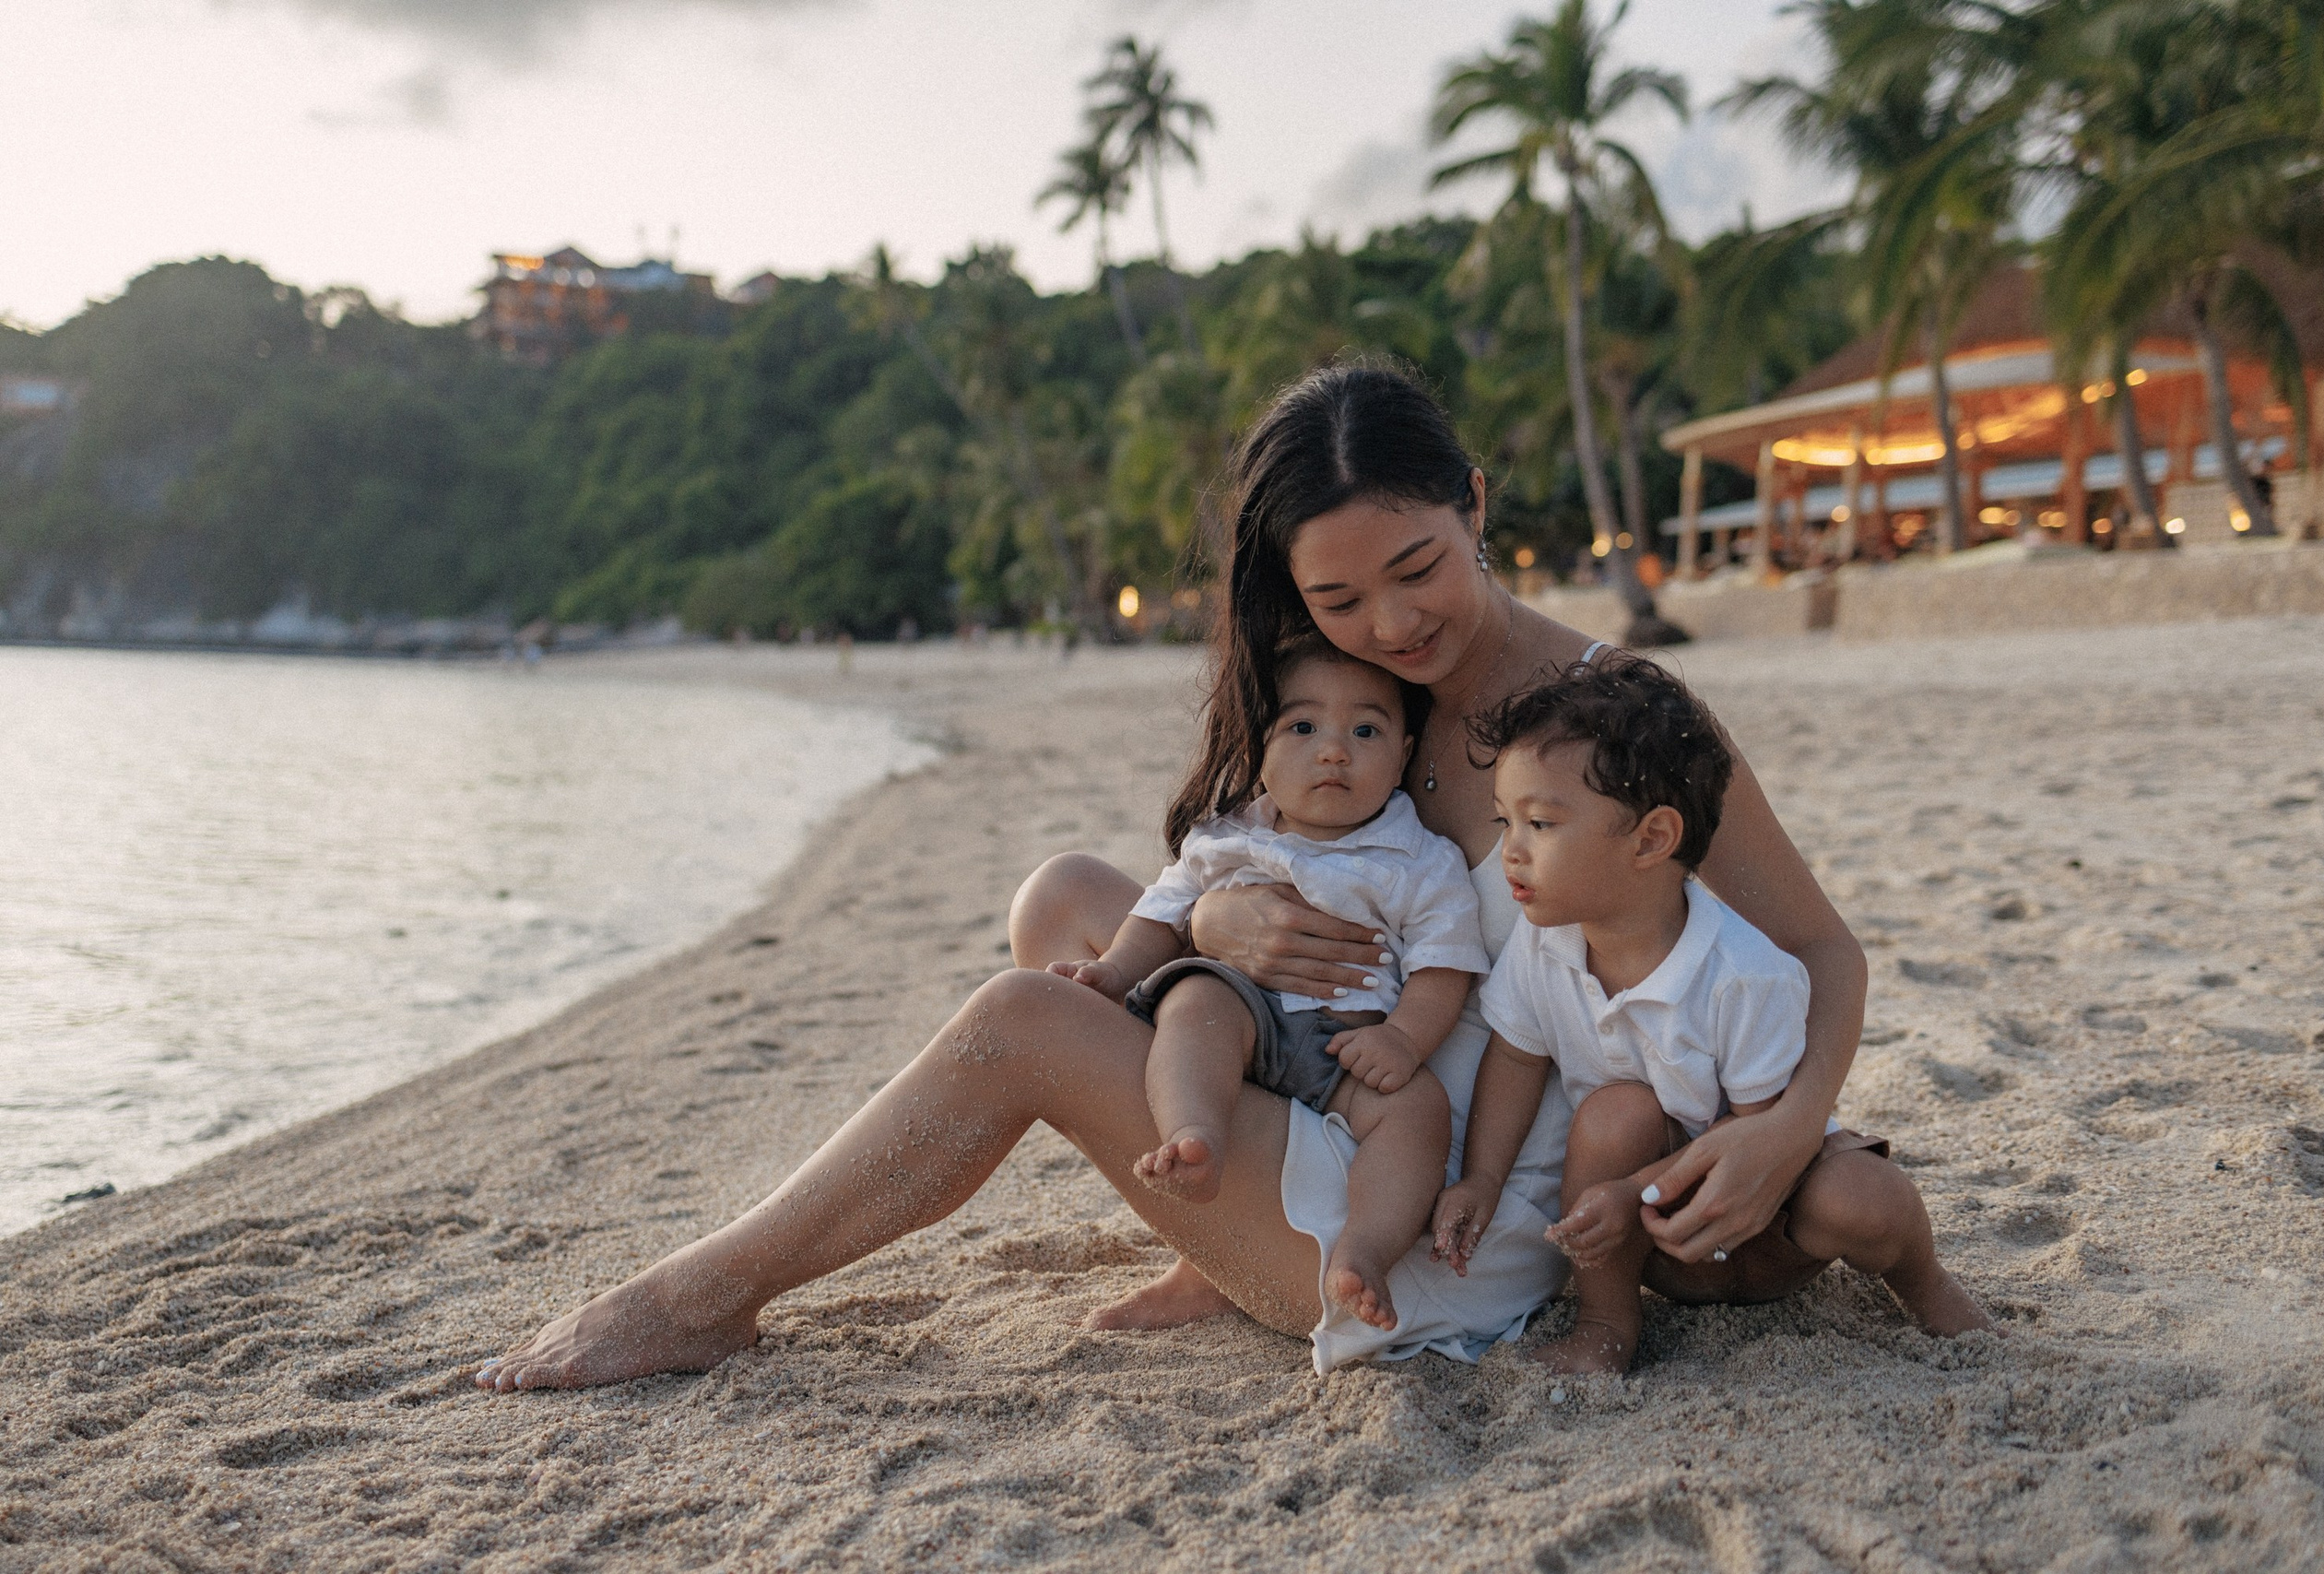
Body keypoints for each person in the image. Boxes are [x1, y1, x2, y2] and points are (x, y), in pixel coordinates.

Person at [474, 362, 1892, 1392]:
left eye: (1418, 568)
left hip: (1440, 1200)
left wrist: (1787, 1131)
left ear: (1474, 503)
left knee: (1022, 1018)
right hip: (1322, 1074)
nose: (1393, 623)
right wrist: (1215, 914)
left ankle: (705, 1293)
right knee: (1066, 900)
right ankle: (1213, 1237)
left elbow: (1824, 950)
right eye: (1338, 599)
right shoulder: (1351, 699)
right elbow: (1233, 865)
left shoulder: (1616, 719)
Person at [1428, 657, 1988, 1375]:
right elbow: (1514, 1056)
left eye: (1539, 823)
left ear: (1652, 838)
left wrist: (1632, 1190)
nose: (1511, 849)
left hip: (1774, 1222)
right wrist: (1481, 1178)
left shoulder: (1743, 972)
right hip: (1659, 1245)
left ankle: (1926, 1284)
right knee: (1612, 1115)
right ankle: (1606, 1323)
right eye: (1504, 820)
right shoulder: (1543, 946)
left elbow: (1761, 1137)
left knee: (1864, 1197)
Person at [1051, 635, 1487, 1333]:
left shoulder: (1421, 859)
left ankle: (1365, 1250)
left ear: (1404, 752)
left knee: (1419, 1111)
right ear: (1259, 746)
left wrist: (1405, 1039)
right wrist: (1117, 968)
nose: (1334, 750)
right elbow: (1162, 912)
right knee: (1194, 1004)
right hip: (1243, 1008)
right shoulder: (1227, 837)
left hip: (1345, 1046)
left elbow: (1445, 965)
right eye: (1303, 726)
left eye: (1365, 731)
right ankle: (1195, 1135)